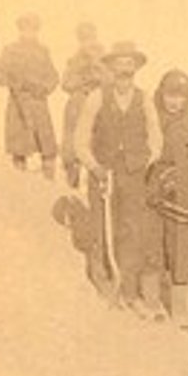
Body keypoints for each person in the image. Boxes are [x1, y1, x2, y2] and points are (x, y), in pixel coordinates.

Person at [74, 39, 165, 317]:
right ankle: (103, 285)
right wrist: (95, 167)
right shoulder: (97, 97)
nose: (124, 71)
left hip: (133, 177)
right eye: (119, 65)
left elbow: (156, 139)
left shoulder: (144, 98)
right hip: (103, 174)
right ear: (111, 68)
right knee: (101, 230)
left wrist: (141, 162)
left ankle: (127, 290)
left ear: (135, 68)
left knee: (132, 233)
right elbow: (80, 139)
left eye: (130, 65)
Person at [151, 69, 188, 324]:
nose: (173, 101)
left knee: (181, 254)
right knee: (153, 249)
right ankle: (153, 302)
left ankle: (180, 310)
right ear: (160, 96)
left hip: (183, 203)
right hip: (153, 200)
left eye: (179, 96)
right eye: (169, 95)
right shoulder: (150, 122)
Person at [0, 13, 60, 178]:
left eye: (33, 29)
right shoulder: (10, 50)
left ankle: (49, 188)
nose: (29, 33)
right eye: (25, 29)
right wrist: (15, 83)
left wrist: (43, 88)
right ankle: (19, 191)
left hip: (39, 104)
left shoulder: (43, 51)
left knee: (48, 149)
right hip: (18, 104)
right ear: (20, 30)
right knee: (19, 151)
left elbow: (53, 77)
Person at [59, 22, 106, 188]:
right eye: (83, 39)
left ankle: (96, 188)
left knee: (97, 147)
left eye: (90, 38)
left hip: (98, 104)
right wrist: (81, 81)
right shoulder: (74, 60)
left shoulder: (104, 58)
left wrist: (97, 76)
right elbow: (65, 83)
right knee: (72, 148)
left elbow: (110, 81)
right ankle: (72, 185)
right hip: (77, 104)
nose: (87, 43)